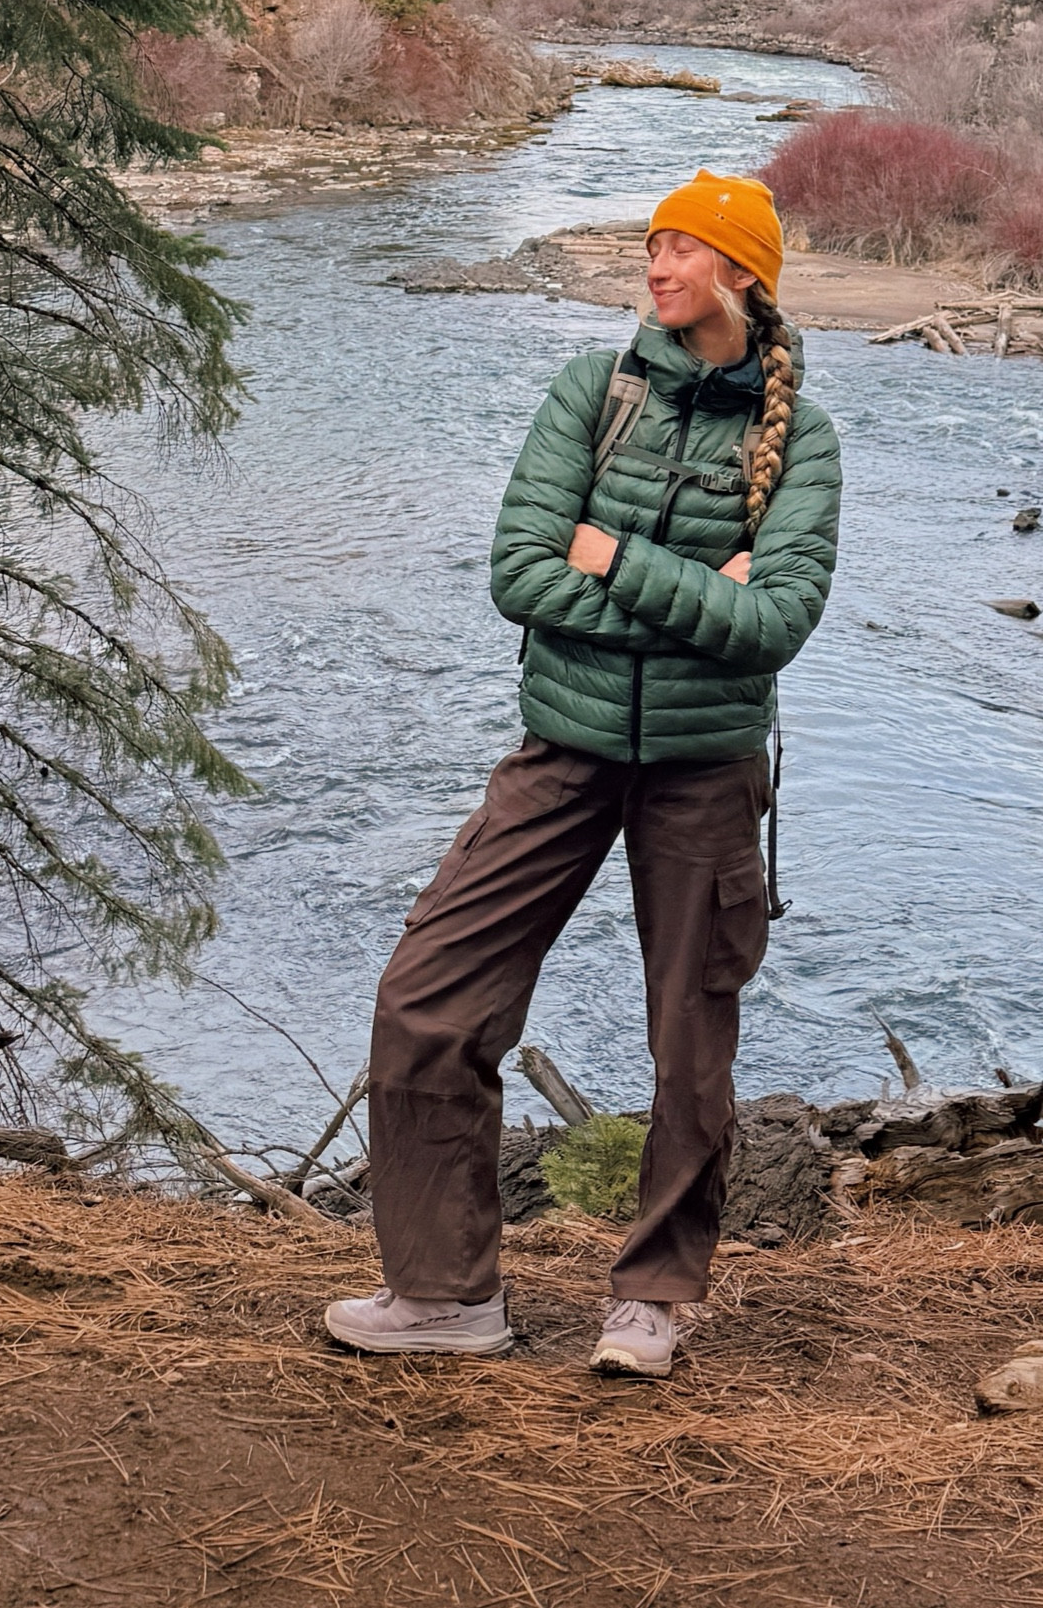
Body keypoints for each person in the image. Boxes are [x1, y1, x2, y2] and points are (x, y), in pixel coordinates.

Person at [324, 170, 842, 1377]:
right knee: (427, 999)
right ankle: (448, 1297)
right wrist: (697, 591)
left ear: (740, 276)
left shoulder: (800, 438)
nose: (655, 267)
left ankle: (653, 1300)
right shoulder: (588, 393)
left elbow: (776, 627)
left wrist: (612, 556)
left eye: (680, 249)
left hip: (706, 776)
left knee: (688, 1044)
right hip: (562, 750)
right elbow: (520, 571)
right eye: (650, 245)